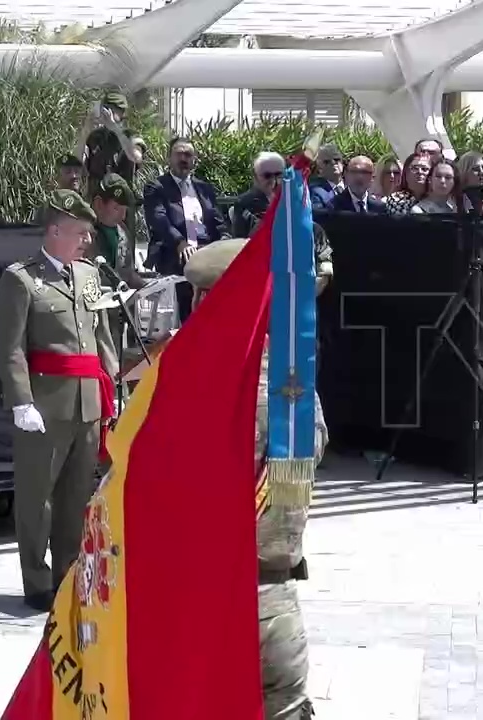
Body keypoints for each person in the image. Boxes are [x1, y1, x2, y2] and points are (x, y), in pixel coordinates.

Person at [184, 237, 329, 720]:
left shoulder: (206, 387)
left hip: (209, 597)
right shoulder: (297, 389)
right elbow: (295, 482)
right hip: (277, 595)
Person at [0, 189, 119, 613]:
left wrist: (112, 388)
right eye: (80, 232)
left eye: (87, 233)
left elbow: (102, 336)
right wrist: (21, 400)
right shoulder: (22, 278)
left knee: (76, 496)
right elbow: (10, 347)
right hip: (45, 404)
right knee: (37, 497)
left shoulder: (87, 275)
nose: (86, 240)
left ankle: (67, 574)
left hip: (87, 400)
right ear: (55, 230)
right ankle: (36, 579)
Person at [143, 137, 230, 321]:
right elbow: (159, 219)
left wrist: (225, 239)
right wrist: (179, 242)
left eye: (188, 155)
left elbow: (217, 219)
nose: (183, 158)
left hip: (206, 250)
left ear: (194, 160)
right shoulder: (156, 187)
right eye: (179, 154)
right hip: (175, 251)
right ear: (169, 158)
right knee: (187, 295)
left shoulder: (204, 188)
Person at [88, 173, 147, 290]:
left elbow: (128, 274)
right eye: (116, 208)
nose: (123, 215)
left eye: (125, 210)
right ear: (98, 204)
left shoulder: (123, 232)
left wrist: (147, 288)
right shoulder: (83, 234)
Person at [80, 91, 143, 198]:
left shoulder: (130, 136)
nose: (107, 113)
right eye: (104, 108)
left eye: (112, 110)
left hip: (121, 200)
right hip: (96, 199)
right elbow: (78, 163)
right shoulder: (96, 136)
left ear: (122, 113)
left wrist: (114, 127)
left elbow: (136, 157)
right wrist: (85, 130)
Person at [232, 151, 285, 237]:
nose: (273, 180)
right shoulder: (245, 203)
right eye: (267, 176)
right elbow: (240, 239)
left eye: (278, 175)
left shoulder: (292, 199)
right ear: (255, 177)